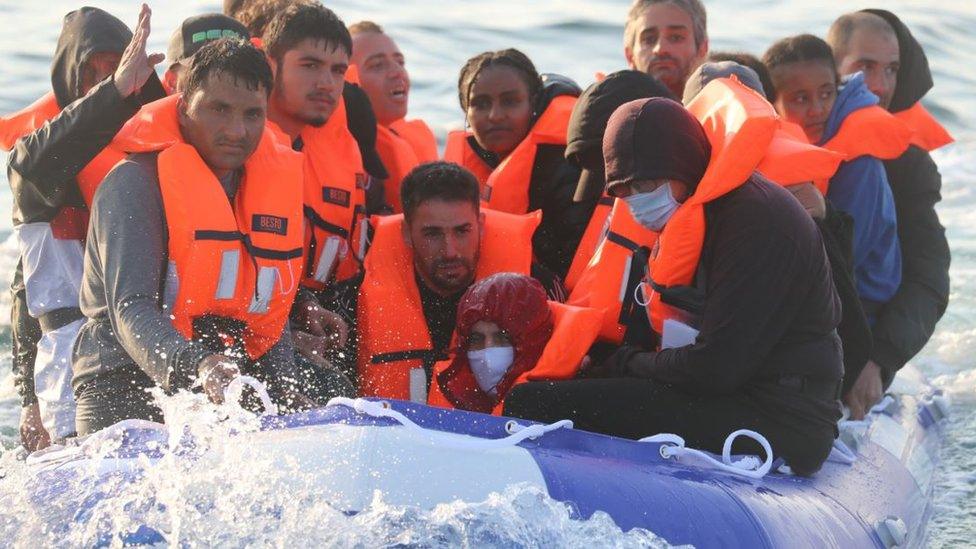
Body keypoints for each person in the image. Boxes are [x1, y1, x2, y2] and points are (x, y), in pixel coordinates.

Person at [504, 97, 844, 476]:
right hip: (734, 391)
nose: (637, 201)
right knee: (569, 384)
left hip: (782, 416)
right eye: (624, 189)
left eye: (647, 183)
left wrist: (626, 363)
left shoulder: (756, 225)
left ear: (685, 166)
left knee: (534, 403)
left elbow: (716, 369)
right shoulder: (707, 212)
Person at [72, 38, 306, 435]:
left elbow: (265, 309)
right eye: (219, 109)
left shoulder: (262, 189)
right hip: (122, 387)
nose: (237, 130)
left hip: (216, 386)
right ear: (183, 105)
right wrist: (197, 365)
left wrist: (284, 390)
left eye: (253, 114)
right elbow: (130, 310)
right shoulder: (133, 183)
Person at [3, 5, 166, 450]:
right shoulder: (34, 166)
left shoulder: (163, 153)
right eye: (90, 74)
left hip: (152, 345)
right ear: (66, 82)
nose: (105, 80)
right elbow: (26, 293)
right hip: (70, 363)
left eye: (116, 67)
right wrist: (28, 401)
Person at [683, 60, 873, 402]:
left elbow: (852, 340)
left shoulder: (794, 202)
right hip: (705, 369)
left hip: (775, 398)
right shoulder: (660, 196)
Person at [320, 161, 561, 402]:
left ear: (480, 225)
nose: (450, 251)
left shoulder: (539, 291)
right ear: (406, 232)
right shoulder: (351, 303)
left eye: (462, 231)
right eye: (432, 234)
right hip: (397, 437)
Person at [827, 10, 952, 419]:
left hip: (867, 342)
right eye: (865, 67)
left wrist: (878, 360)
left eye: (892, 70)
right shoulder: (795, 122)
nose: (880, 87)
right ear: (833, 67)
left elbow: (928, 279)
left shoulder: (909, 166)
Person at [764, 35, 906, 326]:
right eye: (800, 99)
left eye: (826, 94)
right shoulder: (790, 148)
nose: (817, 109)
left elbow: (849, 254)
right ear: (771, 103)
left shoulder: (860, 163)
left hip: (863, 311)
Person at [443, 49, 593, 277]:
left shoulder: (569, 166)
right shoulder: (464, 165)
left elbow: (571, 268)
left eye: (510, 101)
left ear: (533, 104)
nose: (494, 115)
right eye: (480, 104)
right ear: (466, 112)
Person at [428, 273, 600, 414]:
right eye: (476, 340)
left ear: (533, 341)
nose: (488, 355)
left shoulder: (578, 404)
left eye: (502, 337)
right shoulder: (454, 411)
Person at [348, 21, 438, 213]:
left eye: (400, 62)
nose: (398, 72)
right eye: (377, 65)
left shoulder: (409, 137)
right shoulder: (343, 152)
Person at [623, 0, 708, 98]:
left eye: (676, 37)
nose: (660, 49)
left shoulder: (723, 106)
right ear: (630, 56)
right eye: (649, 39)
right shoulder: (607, 107)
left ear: (702, 49)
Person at [162, 13, 250, 94]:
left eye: (237, 69)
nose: (220, 79)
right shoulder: (149, 107)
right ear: (172, 80)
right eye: (202, 69)